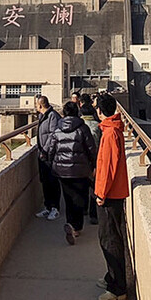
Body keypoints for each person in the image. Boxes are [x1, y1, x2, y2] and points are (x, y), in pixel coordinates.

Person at [93, 93, 129, 300]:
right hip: (112, 192)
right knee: (108, 236)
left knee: (110, 239)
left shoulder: (110, 133)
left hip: (110, 194)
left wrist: (101, 193)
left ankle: (118, 288)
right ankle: (111, 278)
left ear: (100, 111)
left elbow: (108, 167)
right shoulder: (111, 129)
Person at [46, 101, 97, 245]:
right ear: (77, 112)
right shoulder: (83, 128)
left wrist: (52, 164)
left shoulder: (57, 129)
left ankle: (70, 223)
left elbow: (51, 149)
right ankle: (77, 227)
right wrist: (93, 165)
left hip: (62, 170)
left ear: (64, 113)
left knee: (68, 197)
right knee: (80, 197)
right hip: (81, 170)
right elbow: (91, 149)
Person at [34, 95, 62, 220]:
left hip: (50, 154)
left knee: (52, 180)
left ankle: (55, 208)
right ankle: (48, 207)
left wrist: (45, 149)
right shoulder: (42, 116)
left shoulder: (52, 116)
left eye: (36, 105)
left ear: (40, 105)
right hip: (42, 154)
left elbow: (53, 135)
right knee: (44, 180)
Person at [79, 94, 101, 224]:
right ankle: (94, 215)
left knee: (82, 187)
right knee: (94, 188)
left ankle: (83, 210)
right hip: (96, 160)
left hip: (82, 161)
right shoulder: (98, 126)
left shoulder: (80, 126)